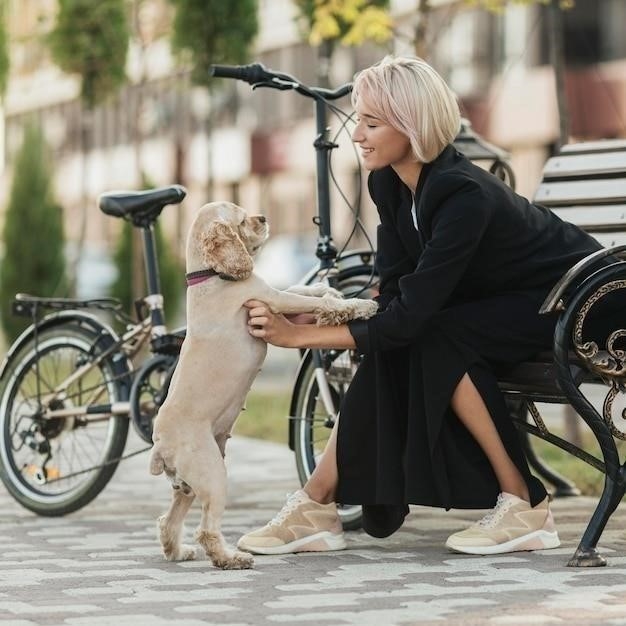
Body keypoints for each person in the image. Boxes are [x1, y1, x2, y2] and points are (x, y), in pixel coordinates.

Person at [236, 55, 603, 557]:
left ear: (412, 125)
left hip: (587, 304)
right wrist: (331, 314)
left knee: (431, 333)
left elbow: (410, 318)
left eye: (371, 122)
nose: (357, 135)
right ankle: (316, 505)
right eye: (356, 120)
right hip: (518, 305)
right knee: (403, 338)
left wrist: (298, 337)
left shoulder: (462, 193)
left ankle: (525, 506)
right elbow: (395, 291)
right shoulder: (388, 182)